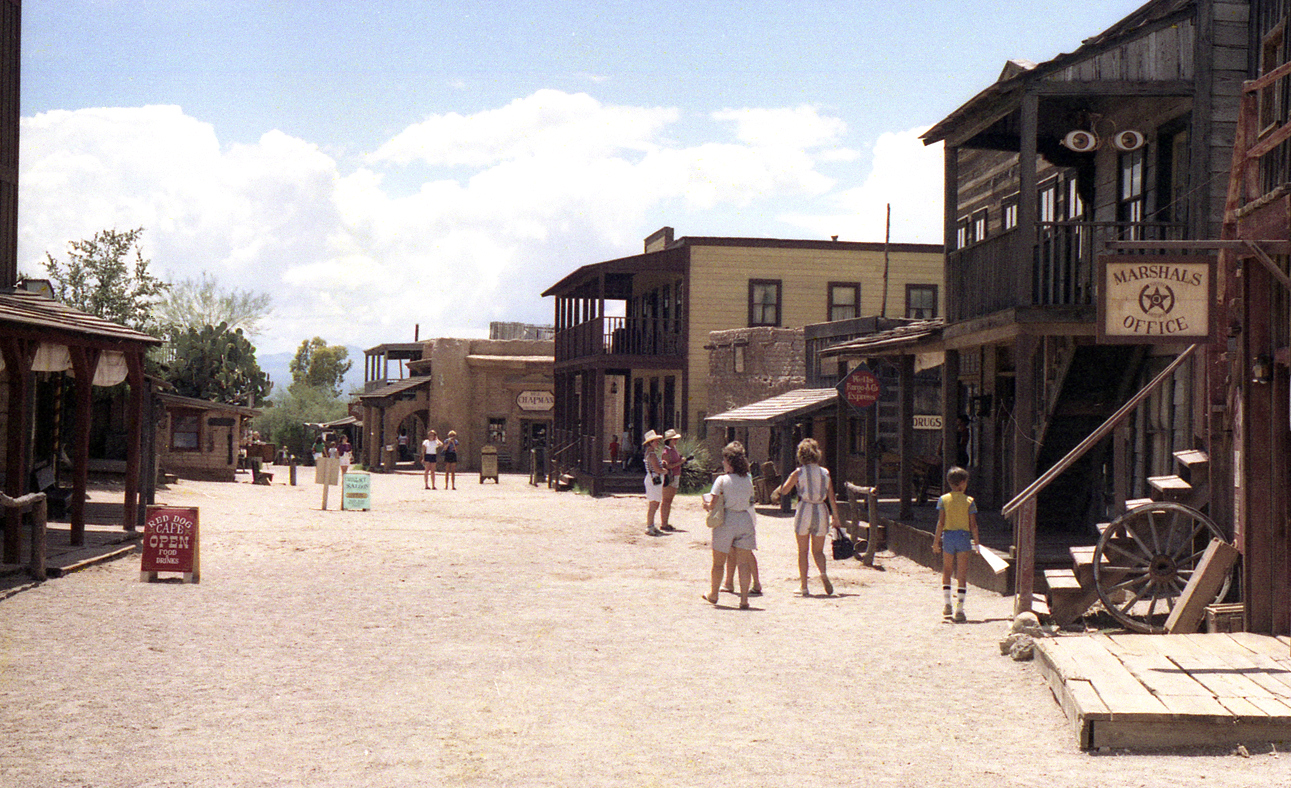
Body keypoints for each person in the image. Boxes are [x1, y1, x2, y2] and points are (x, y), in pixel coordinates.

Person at [774, 438, 839, 596]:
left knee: (802, 551)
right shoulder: (825, 473)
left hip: (805, 510)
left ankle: (804, 585)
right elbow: (831, 497)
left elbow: (785, 490)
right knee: (818, 551)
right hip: (821, 510)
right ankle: (823, 574)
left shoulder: (799, 472)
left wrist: (780, 488)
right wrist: (835, 517)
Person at [702, 441, 758, 609]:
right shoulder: (747, 480)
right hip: (745, 519)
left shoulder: (722, 480)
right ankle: (744, 599)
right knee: (744, 563)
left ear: (729, 462)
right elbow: (751, 499)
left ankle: (714, 593)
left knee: (719, 562)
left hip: (727, 520)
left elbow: (713, 504)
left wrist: (706, 506)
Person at [933, 465, 980, 623]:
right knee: (962, 574)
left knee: (946, 571)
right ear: (962, 483)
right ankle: (960, 609)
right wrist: (977, 543)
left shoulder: (943, 500)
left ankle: (947, 605)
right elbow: (973, 525)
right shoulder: (969, 501)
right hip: (963, 537)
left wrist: (935, 542)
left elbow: (941, 522)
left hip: (948, 537)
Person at [659, 429, 684, 532]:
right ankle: (664, 523)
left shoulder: (673, 449)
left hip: (675, 476)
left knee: (669, 501)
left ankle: (665, 522)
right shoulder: (666, 451)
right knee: (666, 501)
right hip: (670, 477)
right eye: (674, 439)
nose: (676, 441)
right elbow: (668, 466)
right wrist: (681, 462)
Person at [642, 430, 666, 536]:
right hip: (654, 480)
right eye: (655, 441)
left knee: (655, 503)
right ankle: (649, 526)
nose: (657, 443)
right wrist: (665, 471)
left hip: (653, 479)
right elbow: (657, 468)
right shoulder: (651, 455)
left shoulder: (650, 453)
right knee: (653, 504)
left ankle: (651, 524)